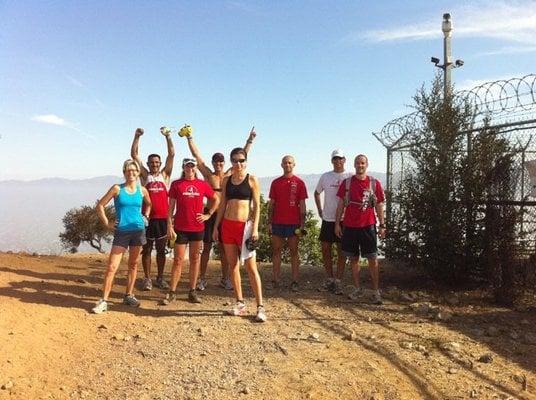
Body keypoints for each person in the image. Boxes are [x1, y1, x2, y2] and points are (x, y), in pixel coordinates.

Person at [185, 127, 256, 291]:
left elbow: (242, 156)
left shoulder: (228, 175)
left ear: (225, 163)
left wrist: (249, 140)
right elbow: (197, 157)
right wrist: (190, 138)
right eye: (216, 162)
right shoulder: (208, 175)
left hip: (225, 216)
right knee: (206, 248)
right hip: (209, 216)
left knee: (226, 249)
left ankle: (226, 278)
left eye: (221, 162)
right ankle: (201, 279)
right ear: (213, 163)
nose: (218, 164)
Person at [213, 147, 266, 322]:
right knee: (232, 265)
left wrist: (256, 228)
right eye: (235, 160)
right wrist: (216, 227)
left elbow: (257, 206)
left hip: (245, 228)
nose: (238, 163)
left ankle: (260, 307)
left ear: (246, 161)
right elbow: (222, 205)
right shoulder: (227, 180)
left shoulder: (252, 179)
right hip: (228, 226)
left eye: (241, 160)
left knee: (251, 268)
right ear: (231, 161)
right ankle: (240, 303)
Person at [92, 159, 152, 314]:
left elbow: (149, 204)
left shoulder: (142, 190)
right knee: (112, 267)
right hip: (122, 232)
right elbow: (100, 205)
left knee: (133, 265)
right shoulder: (117, 189)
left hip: (138, 231)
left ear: (138, 172)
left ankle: (128, 295)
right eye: (128, 170)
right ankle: (104, 301)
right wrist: (107, 223)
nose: (131, 173)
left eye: (134, 170)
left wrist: (145, 216)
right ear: (124, 172)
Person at [161, 158, 219, 304]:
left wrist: (208, 214)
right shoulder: (176, 184)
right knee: (178, 260)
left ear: (196, 168)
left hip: (197, 228)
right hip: (180, 228)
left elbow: (216, 199)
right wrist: (169, 225)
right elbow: (170, 207)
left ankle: (192, 292)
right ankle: (172, 292)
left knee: (195, 259)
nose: (190, 169)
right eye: (188, 166)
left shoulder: (202, 184)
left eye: (193, 166)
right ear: (184, 167)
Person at [334, 154, 386, 305]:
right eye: (357, 163)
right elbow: (341, 205)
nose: (360, 165)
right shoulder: (347, 183)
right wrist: (337, 224)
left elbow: (379, 205)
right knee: (354, 259)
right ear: (354, 165)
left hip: (368, 226)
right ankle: (357, 288)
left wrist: (382, 225)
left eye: (362, 163)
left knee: (372, 259)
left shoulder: (374, 183)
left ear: (367, 164)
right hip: (350, 226)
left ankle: (375, 291)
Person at [131, 127, 175, 291]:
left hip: (163, 219)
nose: (155, 164)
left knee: (162, 250)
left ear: (160, 164)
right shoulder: (144, 175)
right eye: (152, 163)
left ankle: (160, 278)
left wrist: (168, 136)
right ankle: (147, 279)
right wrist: (137, 137)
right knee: (147, 249)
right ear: (148, 164)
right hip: (147, 218)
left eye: (157, 162)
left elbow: (171, 154)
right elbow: (134, 155)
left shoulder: (165, 175)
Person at [314, 149, 352, 295]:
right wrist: (319, 210)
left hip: (344, 219)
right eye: (335, 159)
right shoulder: (325, 176)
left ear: (344, 160)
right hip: (328, 218)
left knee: (341, 250)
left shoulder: (350, 176)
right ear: (332, 161)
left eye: (340, 159)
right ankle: (330, 279)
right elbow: (317, 193)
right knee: (325, 248)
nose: (338, 161)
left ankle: (338, 281)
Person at [268, 155, 308, 291]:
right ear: (281, 165)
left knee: (294, 252)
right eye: (285, 163)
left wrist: (302, 224)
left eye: (290, 163)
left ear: (294, 164)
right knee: (276, 251)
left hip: (294, 224)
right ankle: (275, 279)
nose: (287, 165)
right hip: (277, 222)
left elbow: (302, 205)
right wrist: (269, 222)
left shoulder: (300, 182)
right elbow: (271, 204)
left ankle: (295, 281)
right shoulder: (275, 182)